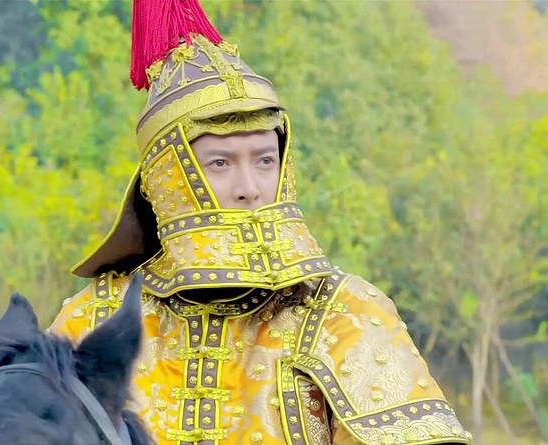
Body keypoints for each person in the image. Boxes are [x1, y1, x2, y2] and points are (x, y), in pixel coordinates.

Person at [50, 1, 471, 444]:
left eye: (265, 160)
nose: (249, 188)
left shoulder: (346, 311)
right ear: (166, 179)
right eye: (220, 163)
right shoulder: (94, 318)